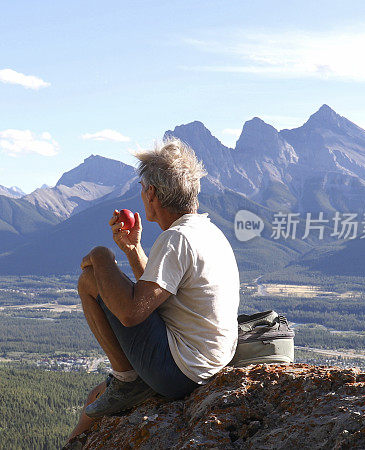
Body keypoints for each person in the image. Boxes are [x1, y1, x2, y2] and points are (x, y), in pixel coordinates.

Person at [68, 138, 240, 442]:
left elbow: (132, 313)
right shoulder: (205, 231)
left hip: (180, 371)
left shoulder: (177, 239)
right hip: (206, 362)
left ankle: (126, 380)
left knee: (91, 278)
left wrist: (101, 256)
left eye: (142, 189)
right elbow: (155, 294)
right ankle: (124, 381)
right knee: (98, 275)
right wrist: (133, 250)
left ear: (152, 194)